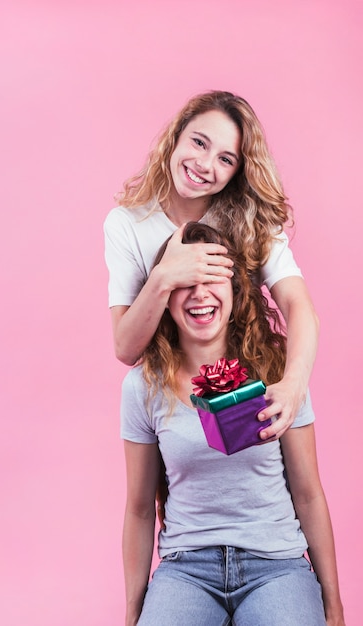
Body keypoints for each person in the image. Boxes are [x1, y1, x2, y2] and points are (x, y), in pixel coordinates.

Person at [121, 222, 344, 626]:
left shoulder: (279, 373)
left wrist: (334, 605)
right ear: (165, 298)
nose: (200, 294)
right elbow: (139, 509)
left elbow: (309, 494)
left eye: (212, 279)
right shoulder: (143, 386)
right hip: (187, 568)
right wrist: (134, 612)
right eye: (185, 282)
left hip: (276, 564)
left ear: (235, 291)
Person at [104, 90, 319, 441]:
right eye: (199, 143)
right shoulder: (127, 224)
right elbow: (126, 348)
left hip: (248, 389)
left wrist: (294, 384)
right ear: (175, 137)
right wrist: (164, 277)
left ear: (237, 171)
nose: (204, 165)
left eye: (225, 159)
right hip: (171, 400)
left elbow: (300, 307)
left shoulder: (253, 220)